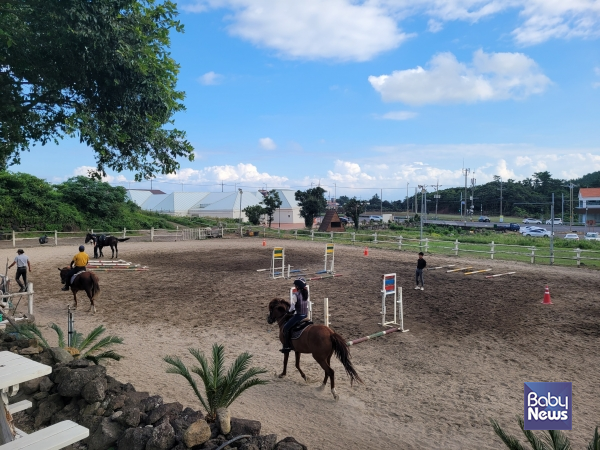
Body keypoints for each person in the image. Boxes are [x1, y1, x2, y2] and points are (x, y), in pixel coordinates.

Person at [281, 278, 309, 353]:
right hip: (305, 315)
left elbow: (292, 307)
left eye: (295, 285)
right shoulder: (305, 294)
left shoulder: (295, 295)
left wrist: (288, 312)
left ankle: (286, 346)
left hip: (299, 315)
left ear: (297, 286)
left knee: (286, 327)